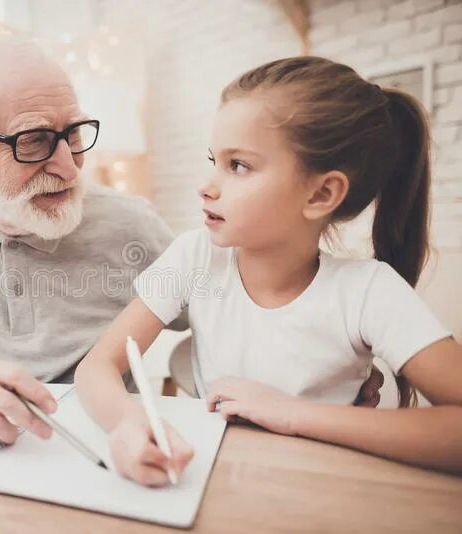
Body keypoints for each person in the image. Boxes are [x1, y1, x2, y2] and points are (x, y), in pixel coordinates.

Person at [0, 39, 382, 448]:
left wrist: (328, 368)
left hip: (106, 466)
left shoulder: (131, 224)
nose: (68, 167)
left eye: (75, 134)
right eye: (35, 141)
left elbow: (247, 312)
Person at [75, 56, 462, 485]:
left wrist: (294, 414)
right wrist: (127, 422)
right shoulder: (194, 257)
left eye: (238, 165)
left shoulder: (369, 292)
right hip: (210, 481)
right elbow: (97, 368)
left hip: (323, 490)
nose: (206, 185)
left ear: (322, 193)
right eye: (213, 160)